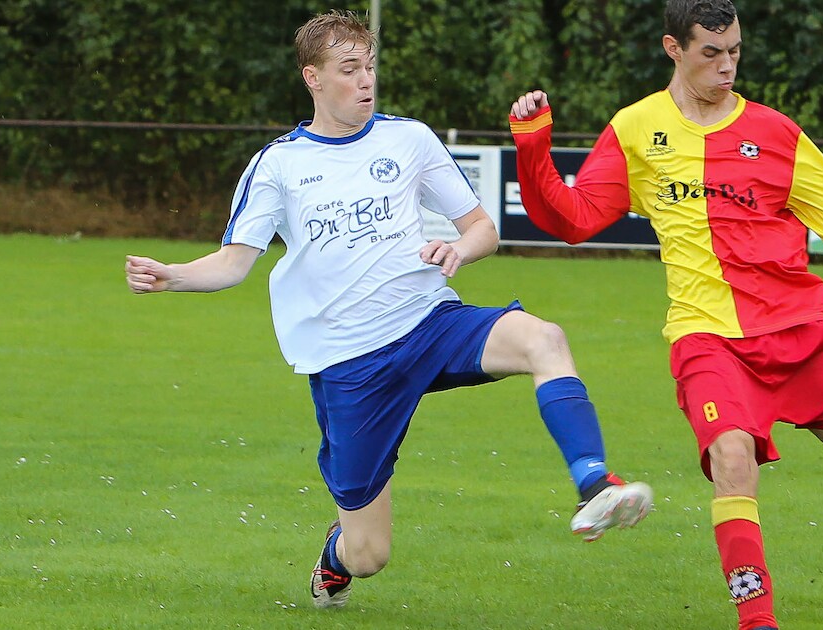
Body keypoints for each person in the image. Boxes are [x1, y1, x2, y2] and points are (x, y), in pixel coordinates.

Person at [125, 10, 652, 611]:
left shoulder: (409, 139)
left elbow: (481, 228)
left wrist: (457, 248)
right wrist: (173, 277)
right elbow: (233, 263)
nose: (365, 82)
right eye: (349, 70)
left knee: (544, 338)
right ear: (313, 78)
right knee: (370, 553)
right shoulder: (280, 165)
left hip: (429, 322)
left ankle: (593, 484)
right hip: (350, 365)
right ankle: (335, 560)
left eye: (369, 67)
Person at [508, 1, 823, 628]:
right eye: (711, 54)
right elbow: (575, 219)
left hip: (798, 337)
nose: (727, 67)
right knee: (731, 457)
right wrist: (534, 147)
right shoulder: (638, 128)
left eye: (735, 52)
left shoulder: (776, 134)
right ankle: (758, 621)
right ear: (675, 48)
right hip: (708, 339)